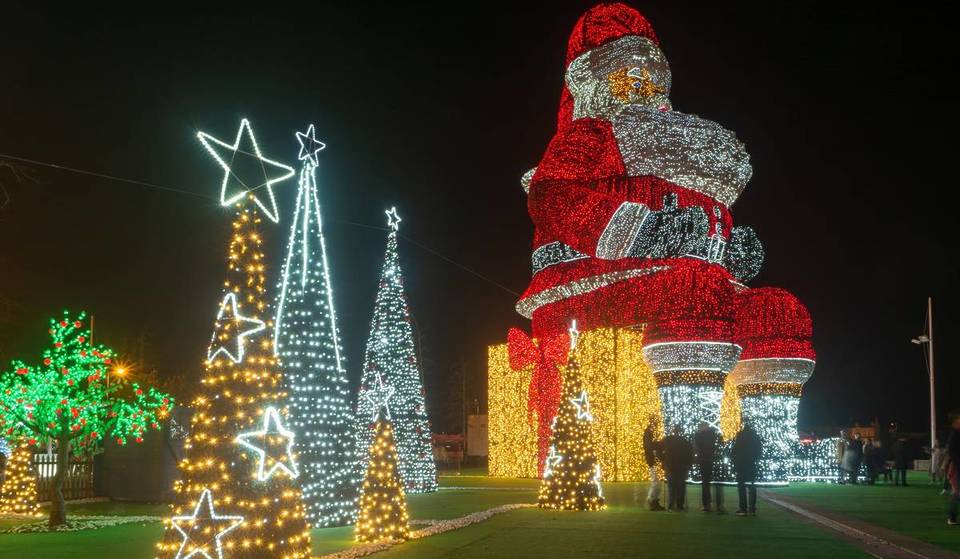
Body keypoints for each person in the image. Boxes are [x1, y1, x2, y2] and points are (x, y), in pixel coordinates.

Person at [659, 425, 693, 512]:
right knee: (680, 487)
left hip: (670, 466)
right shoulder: (685, 441)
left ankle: (671, 505)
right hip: (680, 466)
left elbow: (658, 450)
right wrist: (688, 465)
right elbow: (690, 454)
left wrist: (663, 459)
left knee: (672, 487)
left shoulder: (667, 440)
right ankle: (679, 505)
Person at [693, 422, 724, 512]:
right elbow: (720, 447)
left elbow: (696, 448)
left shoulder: (698, 436)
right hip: (715, 461)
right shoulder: (716, 435)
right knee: (717, 484)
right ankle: (719, 505)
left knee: (705, 483)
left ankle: (706, 505)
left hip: (704, 461)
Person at [733, 423, 762, 516]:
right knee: (752, 486)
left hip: (741, 464)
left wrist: (735, 461)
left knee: (741, 487)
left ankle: (743, 508)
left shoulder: (740, 435)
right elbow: (759, 450)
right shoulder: (755, 436)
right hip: (751, 464)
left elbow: (735, 450)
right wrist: (754, 459)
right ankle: (752, 508)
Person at [643, 419, 664, 511]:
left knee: (657, 482)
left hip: (654, 460)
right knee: (656, 482)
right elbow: (649, 446)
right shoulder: (649, 432)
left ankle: (654, 500)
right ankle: (651, 500)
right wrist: (658, 446)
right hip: (652, 460)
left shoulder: (651, 432)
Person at [946, 413, 960, 526]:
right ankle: (952, 517)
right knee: (956, 494)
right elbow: (951, 451)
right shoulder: (954, 434)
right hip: (956, 468)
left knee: (956, 494)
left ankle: (952, 517)